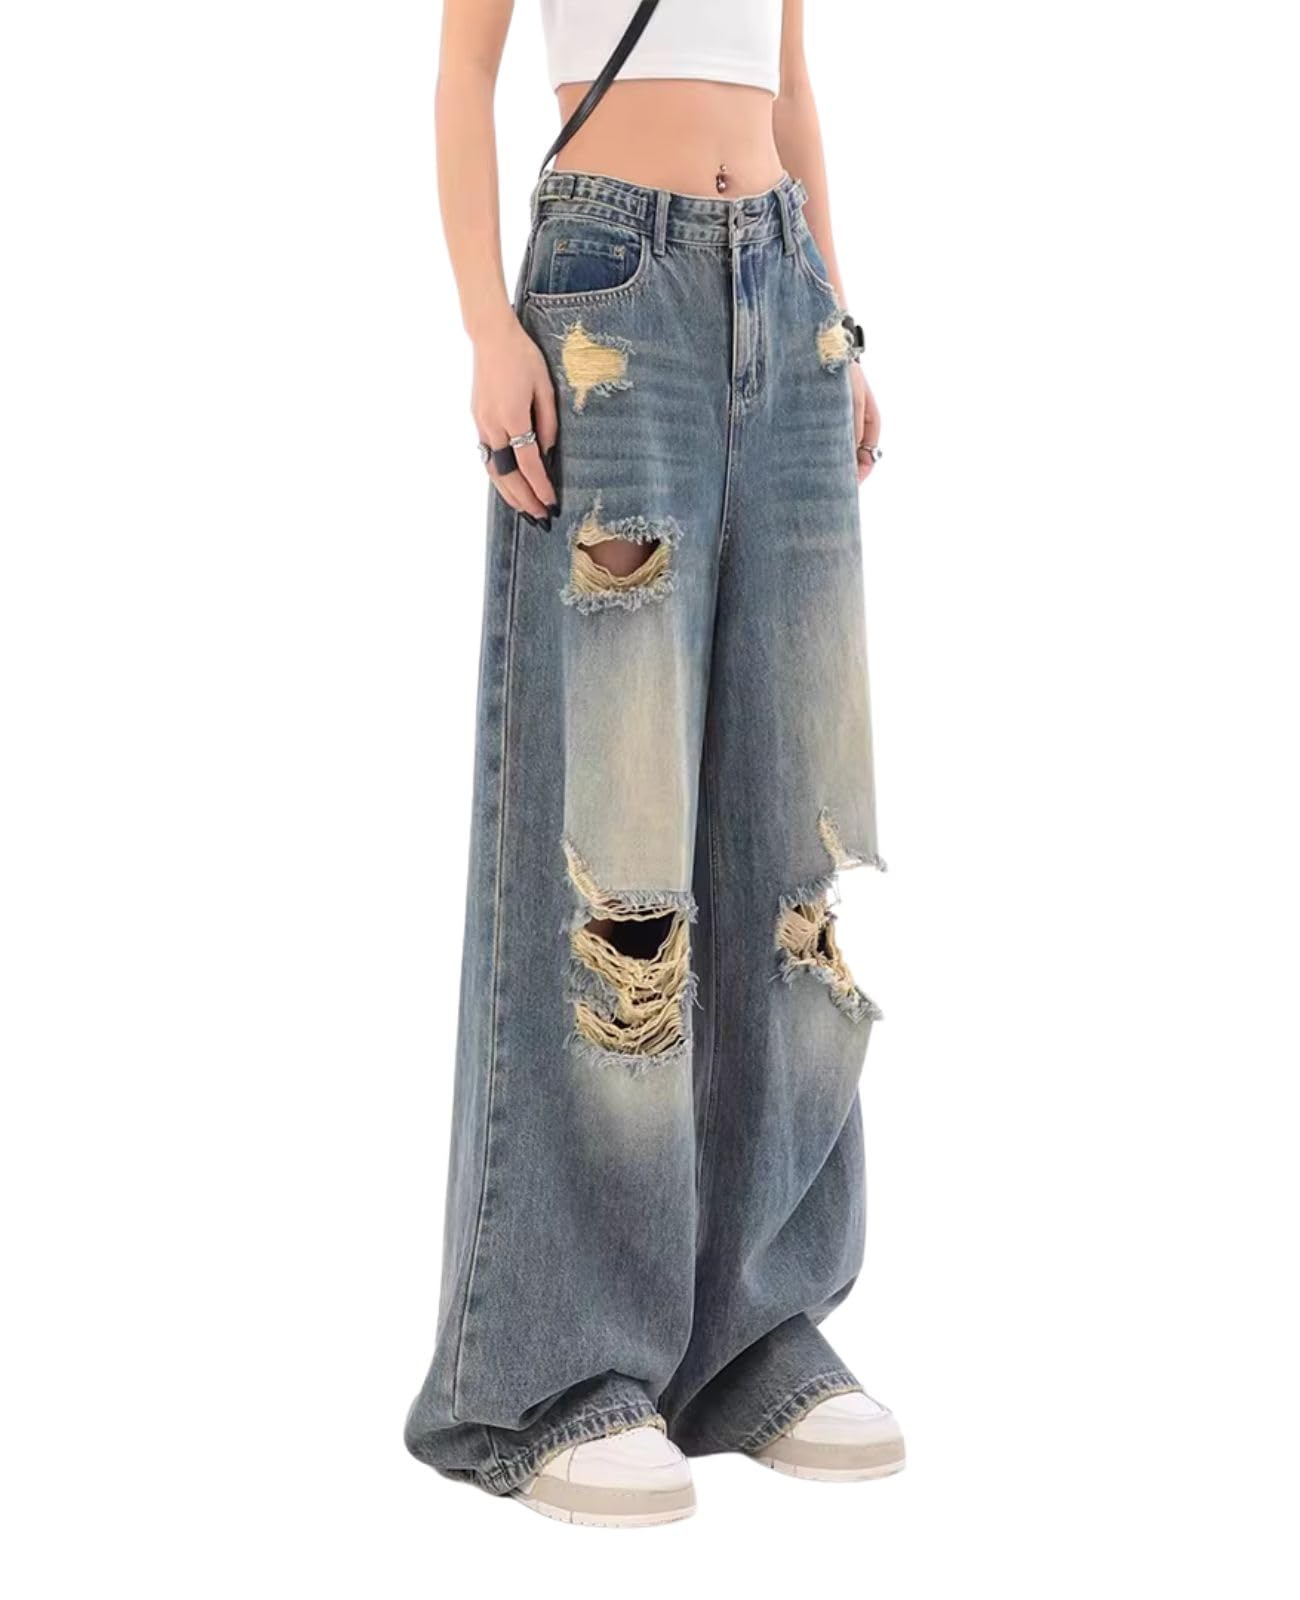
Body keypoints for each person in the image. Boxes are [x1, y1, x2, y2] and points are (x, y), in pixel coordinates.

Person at [405, 0, 902, 1526]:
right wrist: (488, 327)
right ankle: (563, 1362)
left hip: (786, 294)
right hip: (611, 291)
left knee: (786, 828)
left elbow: (790, 80)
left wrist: (838, 315)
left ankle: (754, 1330)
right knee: (612, 844)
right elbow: (466, 70)